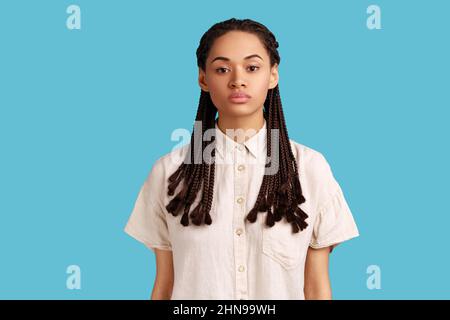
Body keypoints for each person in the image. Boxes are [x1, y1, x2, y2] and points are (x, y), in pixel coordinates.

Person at [124, 18, 359, 300]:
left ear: (273, 75)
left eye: (252, 67)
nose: (237, 80)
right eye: (222, 69)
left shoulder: (309, 168)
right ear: (203, 78)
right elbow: (164, 285)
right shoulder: (169, 172)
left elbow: (317, 289)